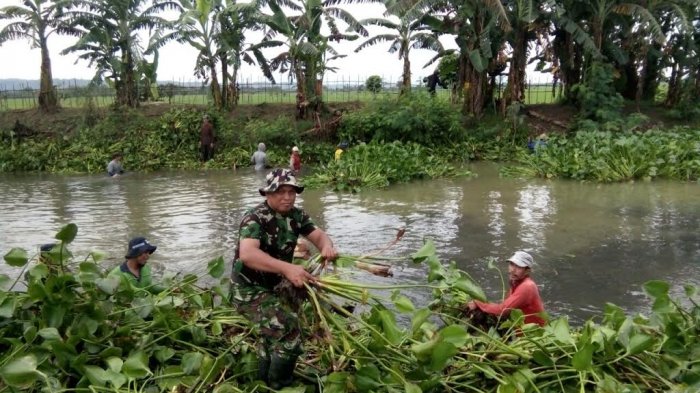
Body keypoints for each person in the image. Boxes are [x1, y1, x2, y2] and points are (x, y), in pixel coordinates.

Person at [231, 168, 338, 389]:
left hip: (273, 288)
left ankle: (262, 382)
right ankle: (281, 384)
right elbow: (248, 254)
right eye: (281, 192)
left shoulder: (296, 216)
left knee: (270, 336)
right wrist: (288, 269)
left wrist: (327, 246)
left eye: (292, 192)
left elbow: (318, 235)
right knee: (290, 332)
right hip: (248, 291)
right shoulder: (254, 218)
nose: (287, 197)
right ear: (267, 193)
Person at [466, 251, 546, 327]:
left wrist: (478, 304)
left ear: (527, 271)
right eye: (512, 264)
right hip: (520, 328)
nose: (513, 270)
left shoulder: (527, 286)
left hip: (533, 334)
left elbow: (503, 310)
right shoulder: (516, 282)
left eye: (518, 267)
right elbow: (506, 306)